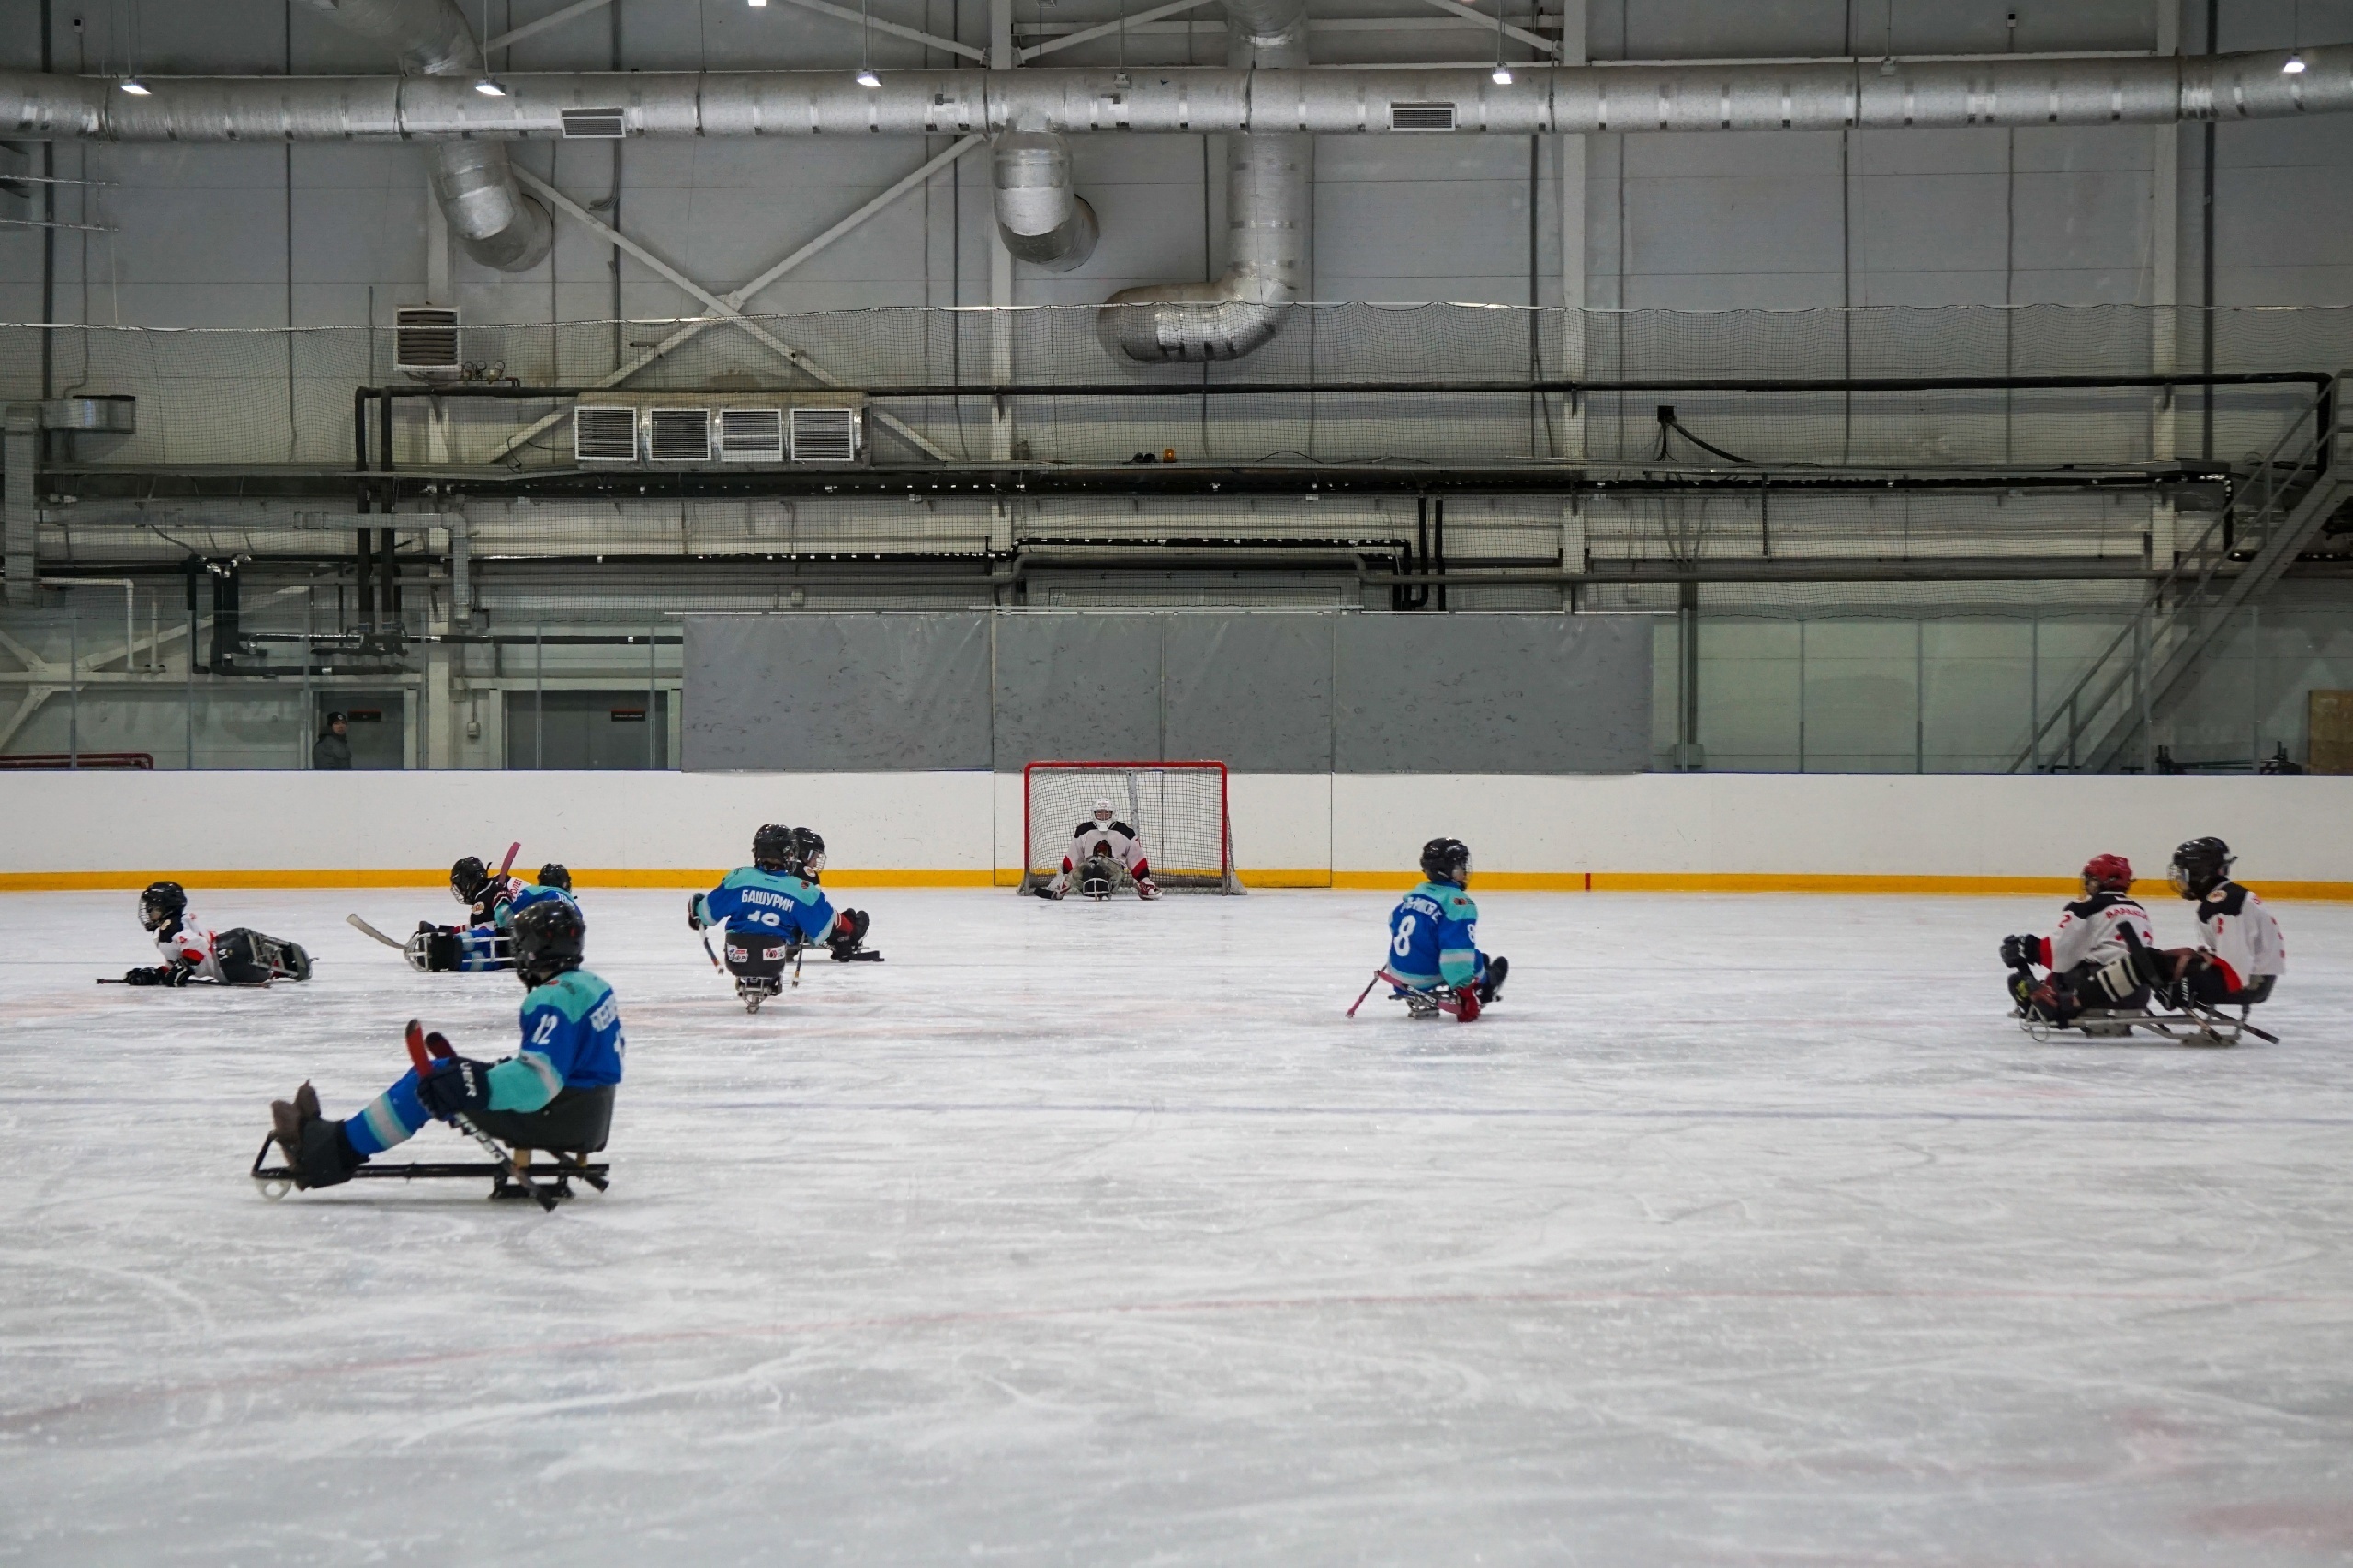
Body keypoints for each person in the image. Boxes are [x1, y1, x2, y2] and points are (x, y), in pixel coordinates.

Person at [267, 899, 622, 1190]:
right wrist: (483, 1075)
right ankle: (336, 1143)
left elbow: (536, 1086)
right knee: (448, 1074)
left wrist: (471, 1083)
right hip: (586, 1115)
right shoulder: (592, 985)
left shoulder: (550, 999)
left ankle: (324, 1153)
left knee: (430, 1081)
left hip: (558, 1117)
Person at [689, 824, 873, 983]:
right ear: (790, 853)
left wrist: (697, 907)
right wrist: (841, 939)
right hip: (774, 956)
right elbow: (820, 931)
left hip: (736, 956)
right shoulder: (800, 886)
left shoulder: (739, 878)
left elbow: (706, 914)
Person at [1999, 854, 2154, 1027]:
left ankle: (2048, 1005)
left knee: (2019, 982)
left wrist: (2029, 948)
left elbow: (2059, 953)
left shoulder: (2085, 909)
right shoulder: (2138, 910)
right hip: (2139, 994)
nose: (2087, 884)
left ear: (2107, 880)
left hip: (2096, 992)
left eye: (2092, 879)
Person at [2135, 837, 2285, 1009]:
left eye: (2184, 874)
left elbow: (2236, 970)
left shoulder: (2225, 904)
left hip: (2252, 983)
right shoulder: (2227, 897)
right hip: (2253, 977)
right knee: (2152, 961)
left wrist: (2186, 987)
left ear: (2200, 873)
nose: (2181, 881)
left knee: (2152, 965)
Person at [1383, 838, 1507, 1020]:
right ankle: (1486, 987)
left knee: (1471, 957)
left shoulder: (1417, 892)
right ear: (1448, 869)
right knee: (1474, 958)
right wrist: (1466, 994)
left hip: (1398, 972)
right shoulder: (1458, 903)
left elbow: (1394, 922)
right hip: (1425, 977)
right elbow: (1456, 954)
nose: (1464, 871)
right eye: (1460, 866)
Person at [122, 881, 311, 986]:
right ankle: (280, 966)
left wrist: (183, 969)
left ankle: (277, 966)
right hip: (231, 948)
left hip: (227, 961)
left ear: (166, 908)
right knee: (257, 962)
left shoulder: (170, 928)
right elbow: (185, 956)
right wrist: (156, 974)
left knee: (251, 964)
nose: (148, 913)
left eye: (153, 908)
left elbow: (197, 945)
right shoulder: (180, 920)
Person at [410, 855, 528, 972]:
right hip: (537, 923)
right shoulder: (500, 880)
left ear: (466, 882)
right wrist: (444, 931)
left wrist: (446, 938)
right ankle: (442, 941)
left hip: (523, 941)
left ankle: (442, 952)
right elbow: (480, 925)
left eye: (459, 885)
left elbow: (485, 935)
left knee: (485, 947)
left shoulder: (482, 901)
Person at [1033, 797, 1160, 900]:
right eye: (1099, 812)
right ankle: (1059, 891)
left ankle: (1100, 881)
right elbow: (1073, 858)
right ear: (1094, 814)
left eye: (1107, 813)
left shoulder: (1126, 831)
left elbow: (1136, 860)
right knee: (1086, 868)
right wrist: (1062, 880)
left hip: (1114, 873)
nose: (1103, 816)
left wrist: (1145, 881)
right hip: (1087, 868)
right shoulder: (1083, 830)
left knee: (1097, 867)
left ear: (1113, 813)